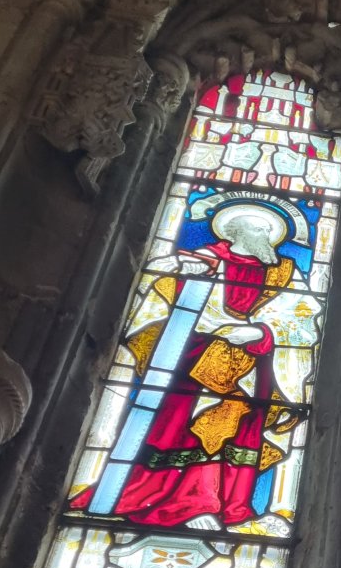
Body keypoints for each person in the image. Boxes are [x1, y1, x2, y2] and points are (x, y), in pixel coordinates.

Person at [70, 194, 318, 532]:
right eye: (257, 228)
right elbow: (160, 296)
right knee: (185, 429)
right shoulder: (203, 259)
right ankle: (189, 502)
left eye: (268, 230)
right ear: (235, 231)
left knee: (240, 434)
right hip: (194, 360)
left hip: (254, 369)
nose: (265, 235)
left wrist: (260, 332)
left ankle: (228, 505)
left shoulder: (284, 272)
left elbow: (301, 320)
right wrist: (186, 279)